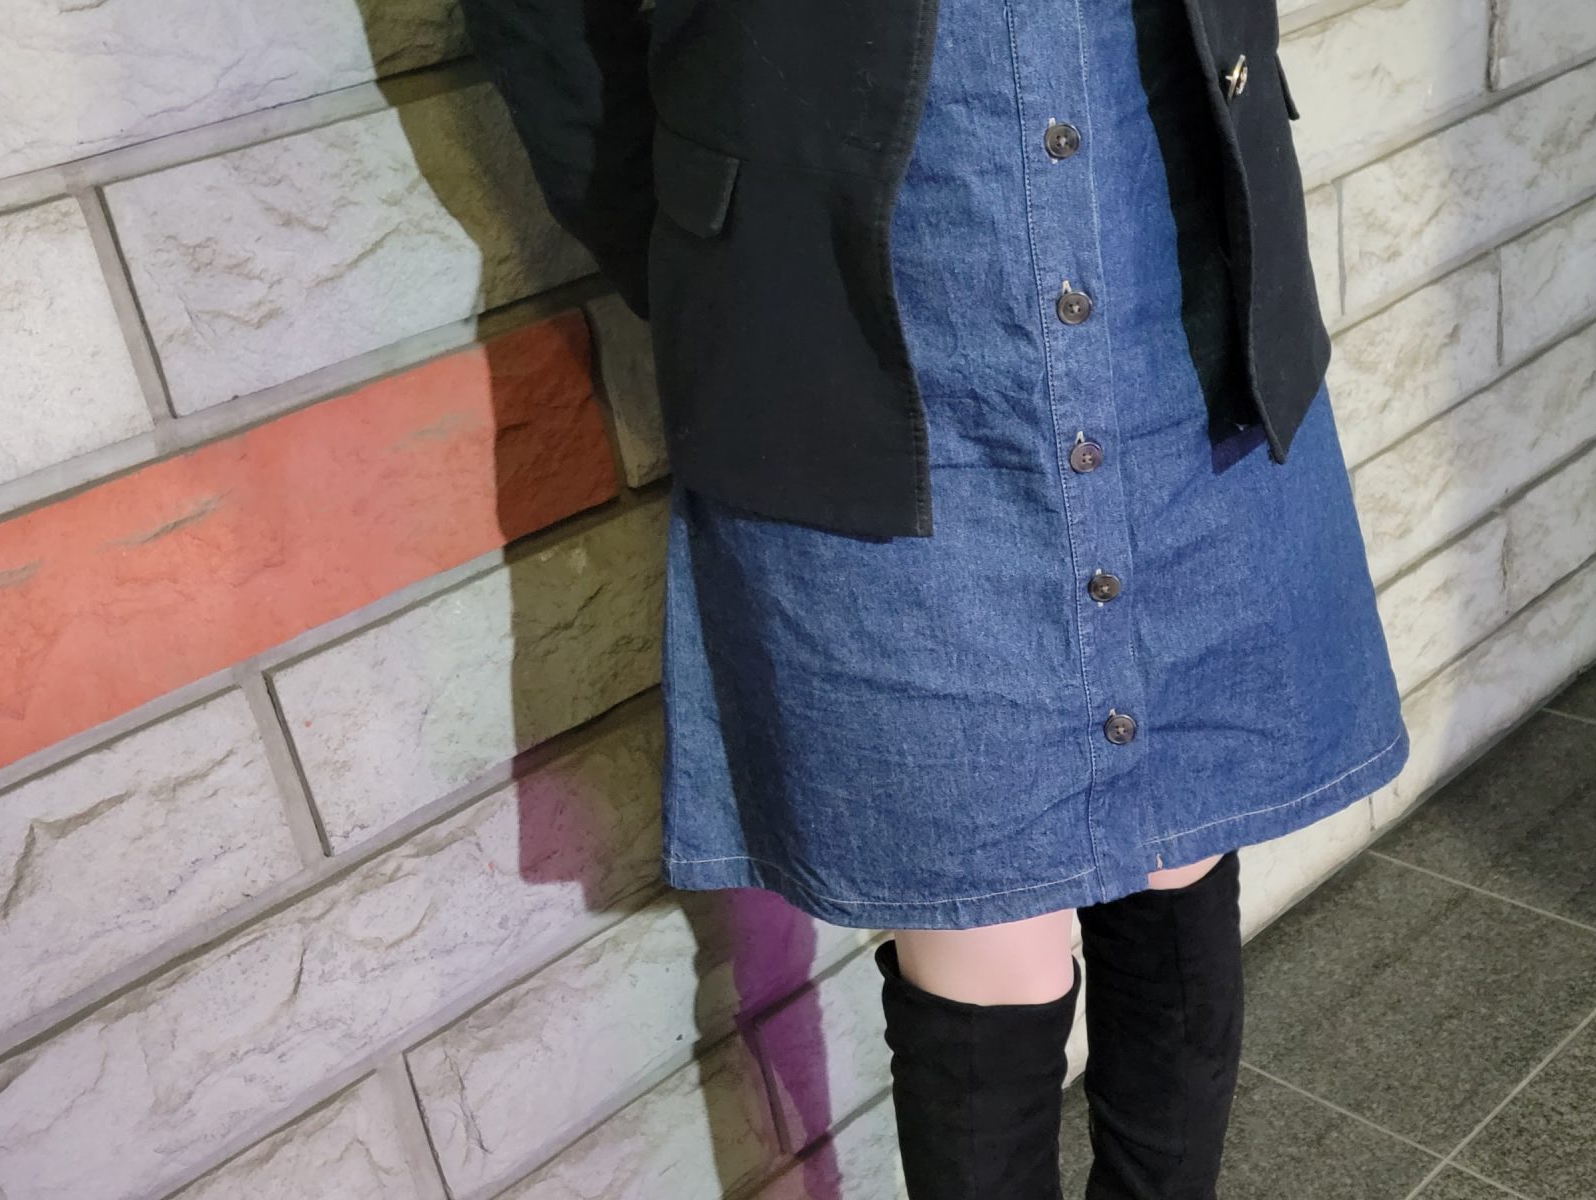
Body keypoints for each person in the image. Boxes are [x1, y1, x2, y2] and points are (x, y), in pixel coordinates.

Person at [464, 0, 1412, 1195]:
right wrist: (708, 235)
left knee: (1176, 850)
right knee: (978, 931)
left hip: (1168, 270)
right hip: (873, 343)